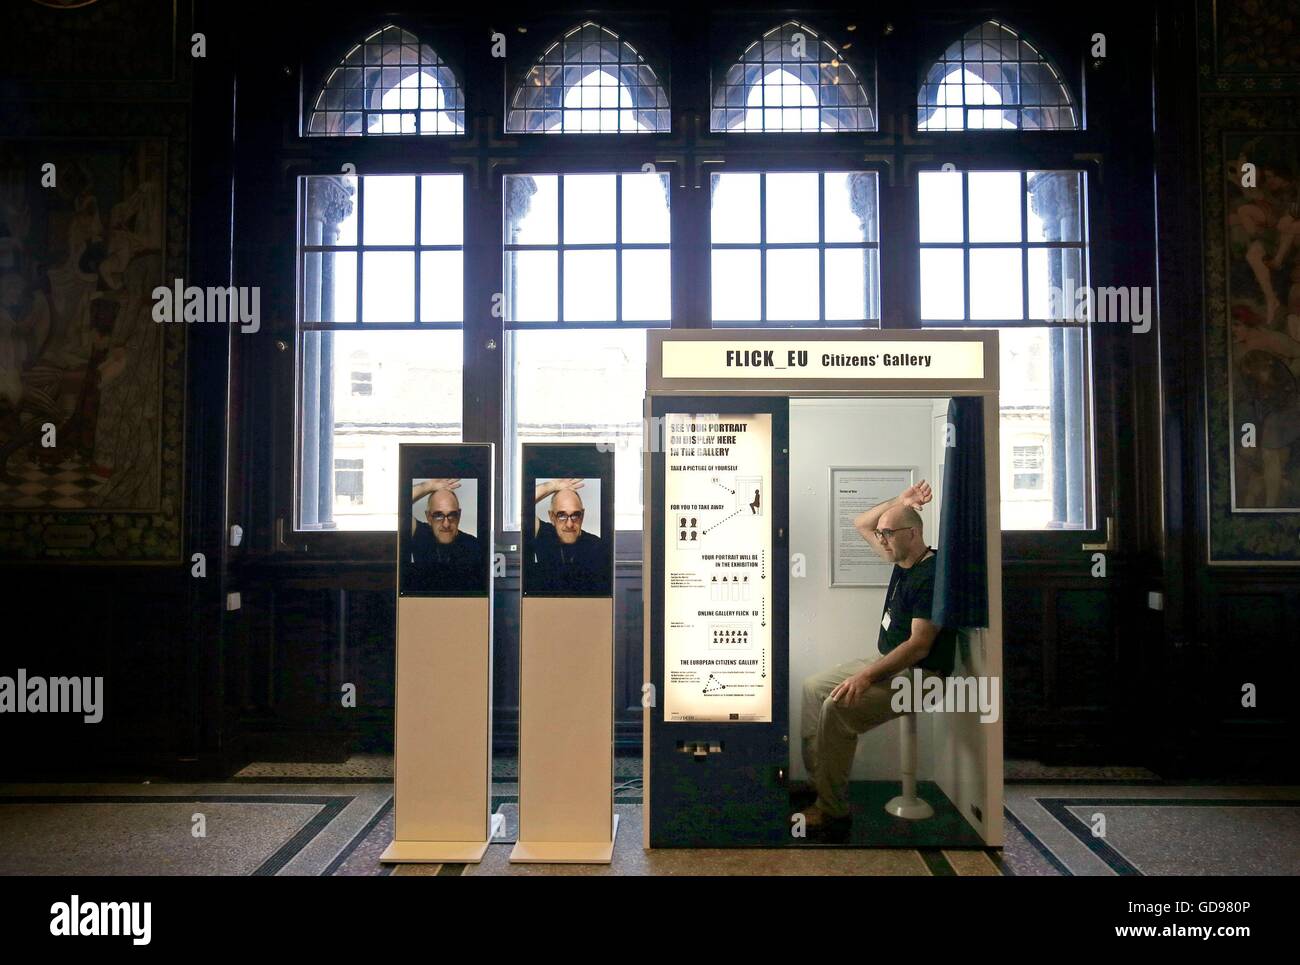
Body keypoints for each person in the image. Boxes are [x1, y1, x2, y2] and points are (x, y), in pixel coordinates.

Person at [799, 479, 958, 831]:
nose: (881, 539)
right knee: (813, 688)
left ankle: (831, 810)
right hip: (891, 663)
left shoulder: (930, 575)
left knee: (837, 707)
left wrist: (866, 676)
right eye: (882, 534)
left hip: (922, 676)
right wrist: (901, 500)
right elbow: (861, 523)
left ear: (913, 534)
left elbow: (919, 645)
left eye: (888, 533)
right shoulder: (901, 560)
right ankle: (820, 784)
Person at [530, 477, 606, 594]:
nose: (569, 524)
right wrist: (553, 485)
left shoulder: (596, 545)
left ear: (583, 515)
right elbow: (521, 507)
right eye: (562, 515)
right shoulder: (545, 535)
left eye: (575, 515)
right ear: (551, 517)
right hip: (547, 608)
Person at [407, 478, 482, 592]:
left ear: (459, 515)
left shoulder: (473, 546)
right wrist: (429, 486)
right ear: (428, 517)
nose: (446, 524)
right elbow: (397, 507)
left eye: (452, 515)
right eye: (438, 515)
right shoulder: (422, 535)